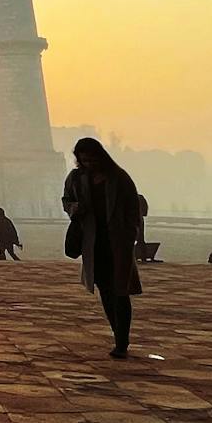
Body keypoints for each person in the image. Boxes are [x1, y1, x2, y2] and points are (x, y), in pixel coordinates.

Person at [68, 137, 143, 357]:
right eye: (85, 160)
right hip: (94, 242)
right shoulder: (77, 178)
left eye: (92, 159)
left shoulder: (119, 178)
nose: (89, 164)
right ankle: (118, 334)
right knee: (106, 291)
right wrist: (74, 208)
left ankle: (122, 341)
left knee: (120, 291)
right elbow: (66, 200)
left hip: (117, 242)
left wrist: (129, 236)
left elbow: (133, 209)